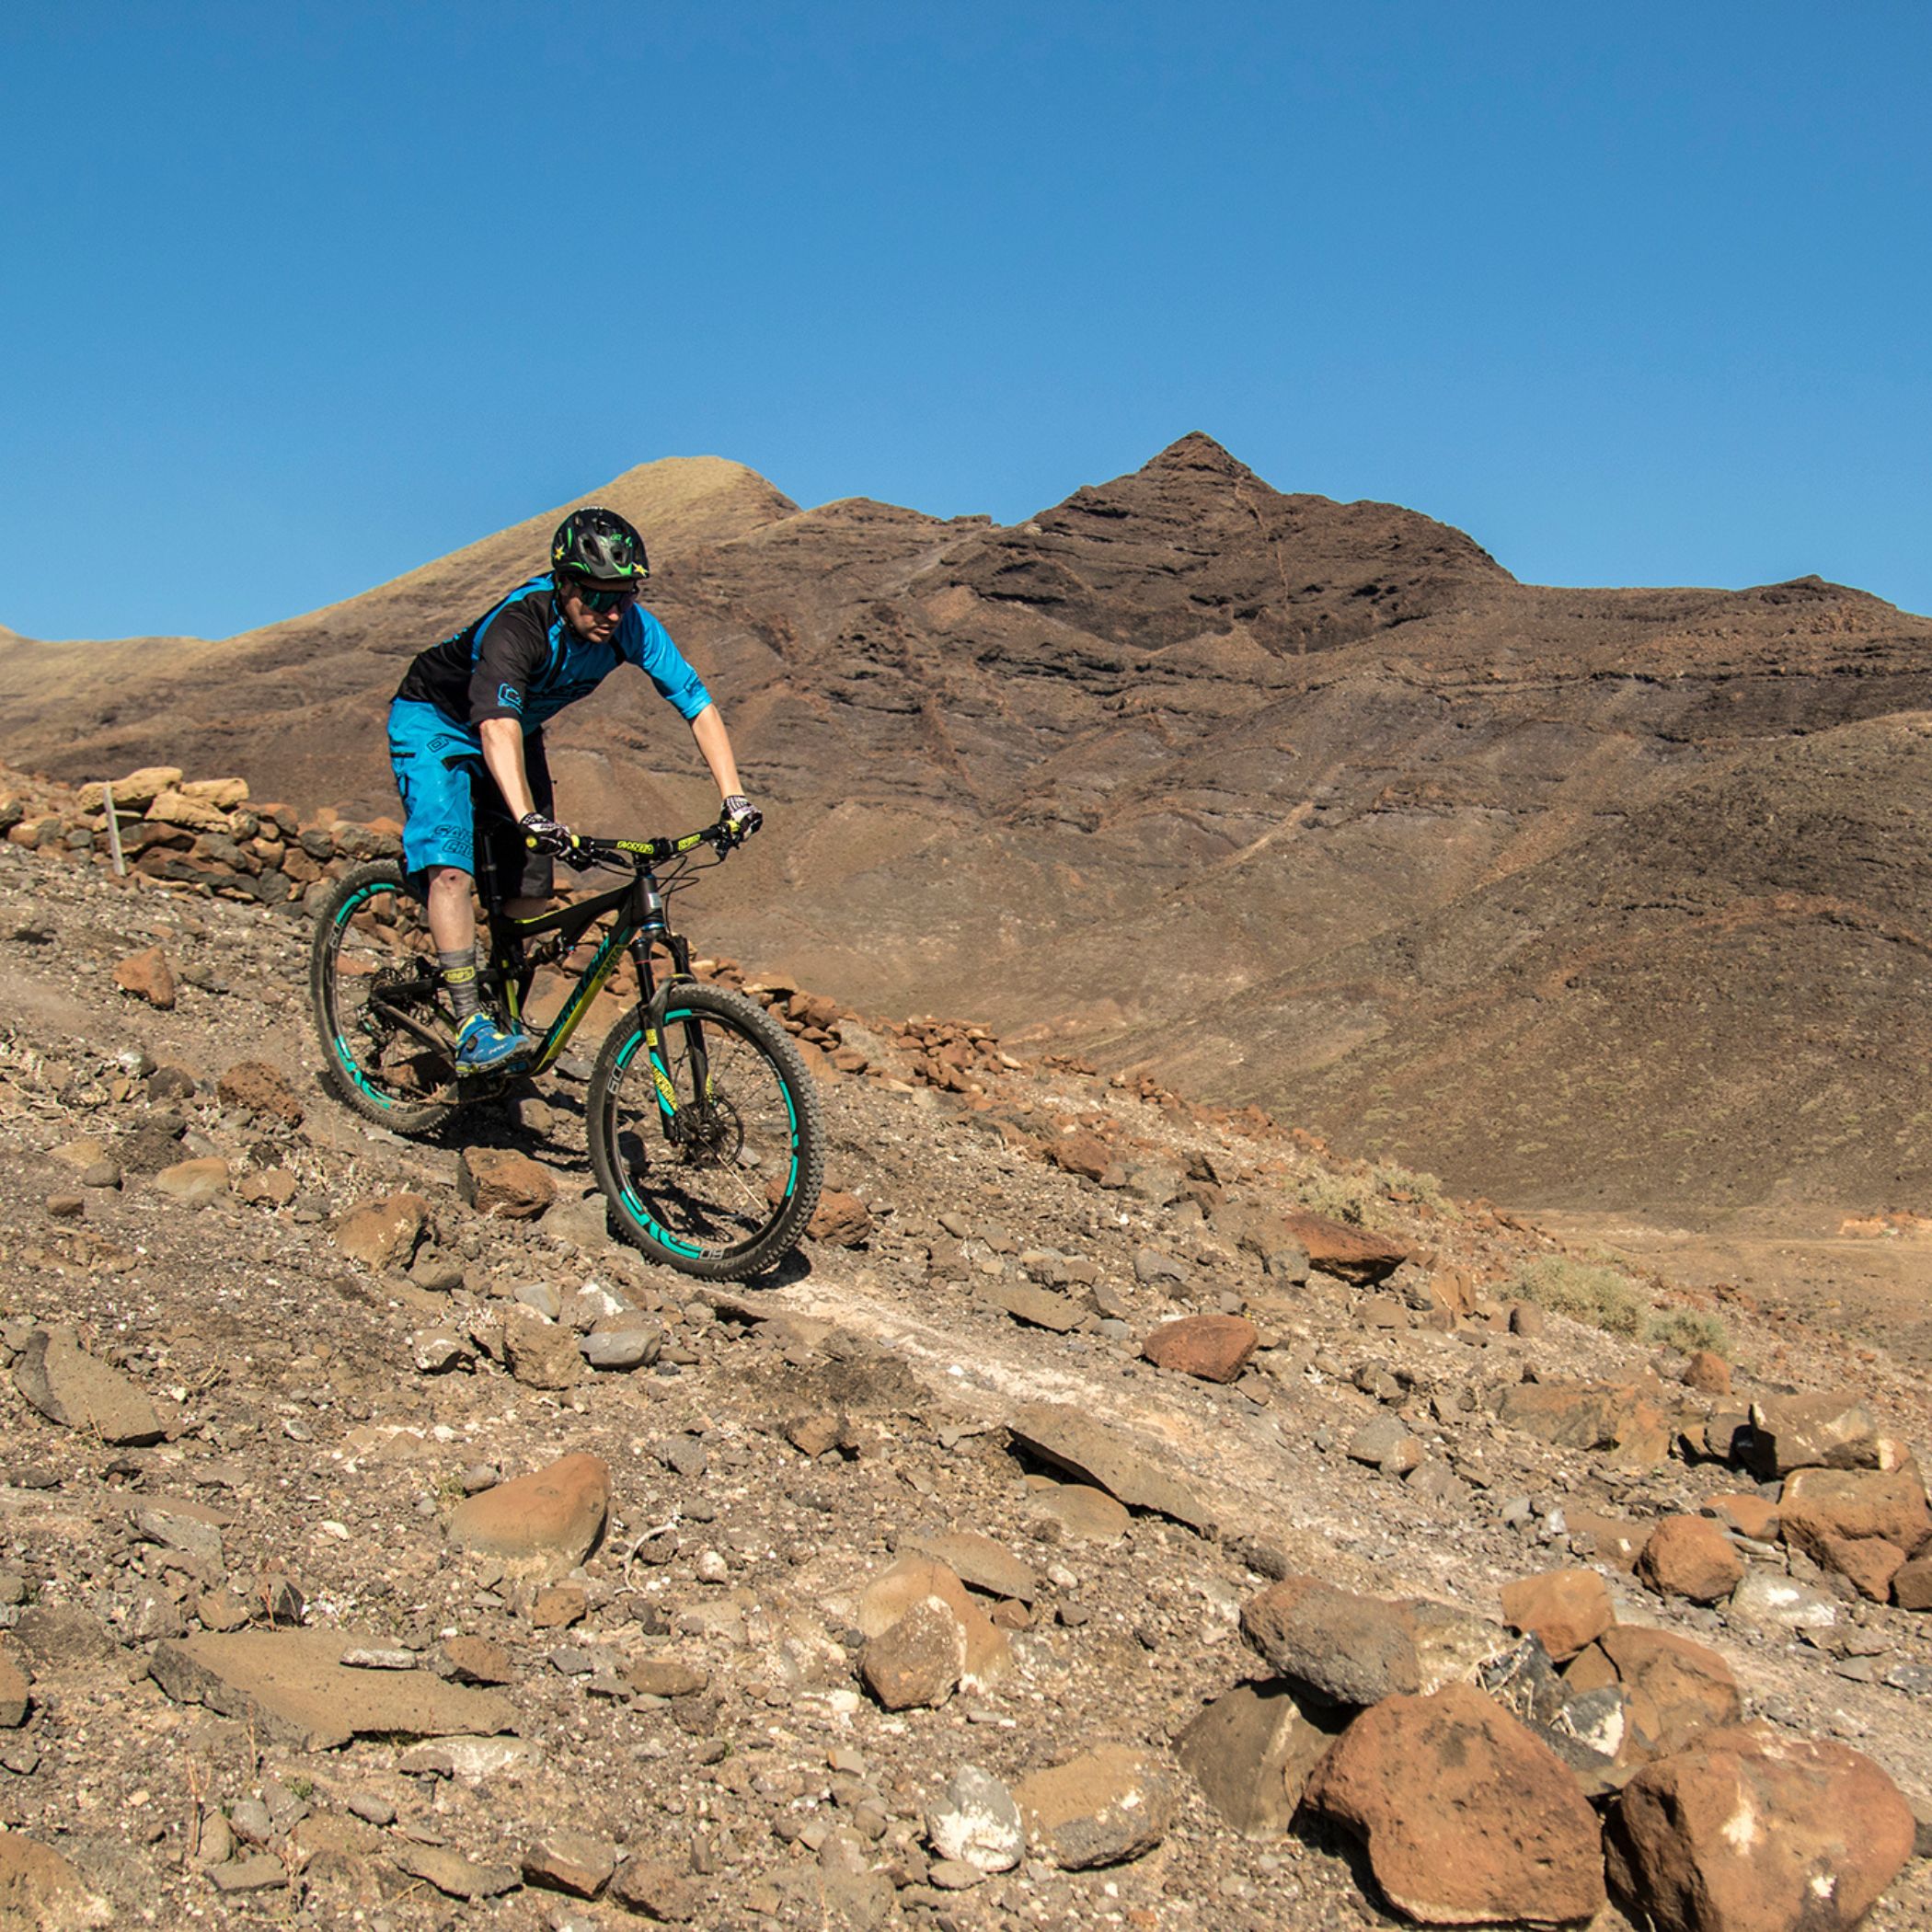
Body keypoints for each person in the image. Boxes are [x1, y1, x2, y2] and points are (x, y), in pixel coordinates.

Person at [385, 505, 760, 1071]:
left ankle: (501, 1010)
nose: (612, 612)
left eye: (624, 596)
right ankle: (468, 1024)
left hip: (516, 732)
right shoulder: (520, 624)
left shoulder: (632, 626)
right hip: (439, 721)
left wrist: (734, 797)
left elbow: (696, 703)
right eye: (597, 596)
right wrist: (526, 816)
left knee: (532, 898)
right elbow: (494, 726)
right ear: (564, 585)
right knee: (452, 867)